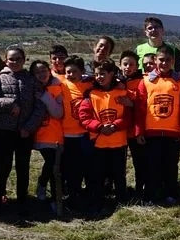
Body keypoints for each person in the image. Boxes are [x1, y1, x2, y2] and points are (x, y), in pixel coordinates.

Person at [0, 45, 45, 214]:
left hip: (24, 132)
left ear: (24, 60)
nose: (15, 62)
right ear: (6, 60)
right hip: (3, 131)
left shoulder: (31, 80)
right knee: (1, 168)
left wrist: (29, 127)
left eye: (19, 59)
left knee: (23, 168)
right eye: (11, 59)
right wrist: (9, 102)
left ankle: (22, 201)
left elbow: (39, 107)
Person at [79, 60, 133, 209]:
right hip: (98, 142)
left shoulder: (122, 93)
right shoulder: (90, 95)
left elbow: (128, 115)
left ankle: (122, 199)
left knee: (119, 173)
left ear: (112, 74)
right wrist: (99, 127)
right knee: (98, 173)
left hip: (119, 141)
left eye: (103, 74)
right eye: (96, 74)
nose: (99, 77)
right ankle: (99, 199)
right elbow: (84, 117)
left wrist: (115, 125)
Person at [136, 46, 180, 206]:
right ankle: (151, 195)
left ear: (173, 61)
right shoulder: (146, 81)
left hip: (173, 132)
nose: (164, 63)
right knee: (152, 166)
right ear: (155, 60)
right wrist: (139, 131)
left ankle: (171, 194)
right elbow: (140, 108)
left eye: (168, 60)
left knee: (171, 166)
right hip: (152, 132)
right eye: (161, 59)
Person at [30, 60, 65, 213]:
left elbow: (58, 113)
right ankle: (49, 192)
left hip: (56, 134)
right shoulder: (30, 89)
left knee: (54, 165)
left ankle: (50, 193)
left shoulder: (56, 87)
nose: (41, 74)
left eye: (44, 70)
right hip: (39, 134)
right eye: (37, 72)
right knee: (52, 163)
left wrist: (45, 96)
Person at [59, 56, 93, 206]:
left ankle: (88, 195)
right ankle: (72, 195)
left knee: (86, 165)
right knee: (70, 168)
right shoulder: (61, 85)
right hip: (66, 135)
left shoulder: (89, 85)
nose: (71, 75)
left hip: (85, 134)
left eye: (74, 71)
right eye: (68, 72)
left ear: (82, 72)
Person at [120, 50, 146, 198]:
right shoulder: (116, 81)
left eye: (131, 64)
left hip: (135, 130)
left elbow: (143, 106)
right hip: (119, 130)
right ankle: (121, 190)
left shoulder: (141, 82)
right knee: (119, 163)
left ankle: (139, 188)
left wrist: (131, 103)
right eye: (125, 64)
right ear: (120, 65)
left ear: (137, 67)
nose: (128, 67)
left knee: (139, 161)